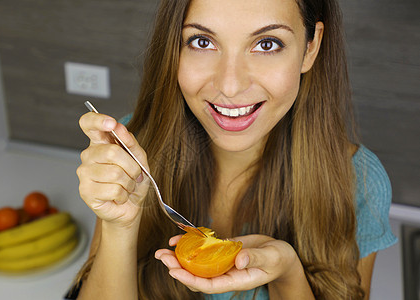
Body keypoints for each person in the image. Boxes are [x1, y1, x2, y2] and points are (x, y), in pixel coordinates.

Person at [67, 0, 397, 299]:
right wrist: (119, 224)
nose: (230, 85)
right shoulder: (134, 150)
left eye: (267, 44)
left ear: (311, 48)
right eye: (202, 42)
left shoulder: (361, 183)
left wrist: (287, 272)